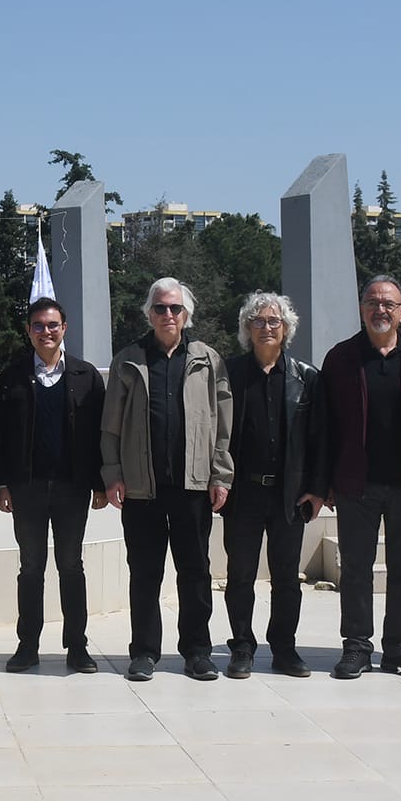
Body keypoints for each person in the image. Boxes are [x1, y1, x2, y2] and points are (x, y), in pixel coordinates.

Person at [316, 275, 401, 681]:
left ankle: (399, 647)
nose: (381, 310)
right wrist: (323, 481)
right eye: (373, 303)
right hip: (356, 484)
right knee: (356, 568)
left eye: (389, 304)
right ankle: (357, 646)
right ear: (362, 310)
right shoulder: (340, 358)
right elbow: (324, 427)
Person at [101, 277, 234, 684]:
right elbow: (111, 426)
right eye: (160, 308)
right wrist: (112, 474)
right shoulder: (129, 359)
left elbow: (222, 423)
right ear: (149, 313)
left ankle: (197, 652)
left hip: (193, 487)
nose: (168, 315)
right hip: (143, 488)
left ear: (186, 313)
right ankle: (144, 652)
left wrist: (221, 473)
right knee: (145, 573)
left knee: (195, 573)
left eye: (175, 308)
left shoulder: (207, 360)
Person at [0, 298, 105, 675]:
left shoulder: (87, 376)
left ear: (64, 328)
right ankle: (28, 646)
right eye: (38, 325)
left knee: (71, 566)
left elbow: (99, 436)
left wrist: (101, 485)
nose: (46, 332)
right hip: (27, 488)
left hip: (72, 488)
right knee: (30, 567)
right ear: (28, 331)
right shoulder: (12, 377)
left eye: (52, 325)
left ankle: (77, 646)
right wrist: (1, 484)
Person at [222, 292, 324, 679]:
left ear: (286, 329)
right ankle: (242, 647)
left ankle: (284, 649)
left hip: (289, 494)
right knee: (240, 575)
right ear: (247, 328)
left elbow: (319, 439)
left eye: (274, 321)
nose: (267, 327)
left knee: (286, 578)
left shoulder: (306, 377)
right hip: (242, 493)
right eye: (259, 321)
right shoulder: (229, 373)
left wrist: (316, 488)